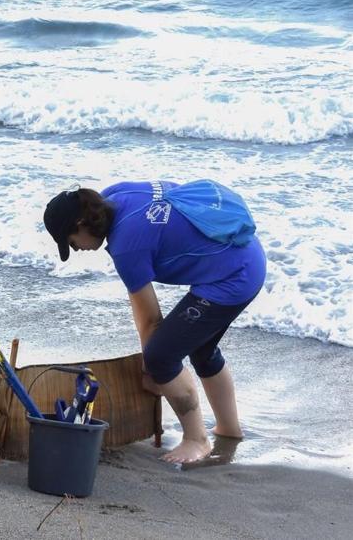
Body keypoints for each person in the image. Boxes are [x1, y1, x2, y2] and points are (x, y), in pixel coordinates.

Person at [43, 181, 266, 464]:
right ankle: (229, 430)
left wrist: (153, 371)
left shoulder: (126, 246)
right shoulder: (115, 195)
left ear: (81, 223)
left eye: (71, 241)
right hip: (243, 251)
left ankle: (196, 439)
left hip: (233, 278)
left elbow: (150, 319)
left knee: (161, 356)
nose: (75, 249)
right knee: (201, 349)